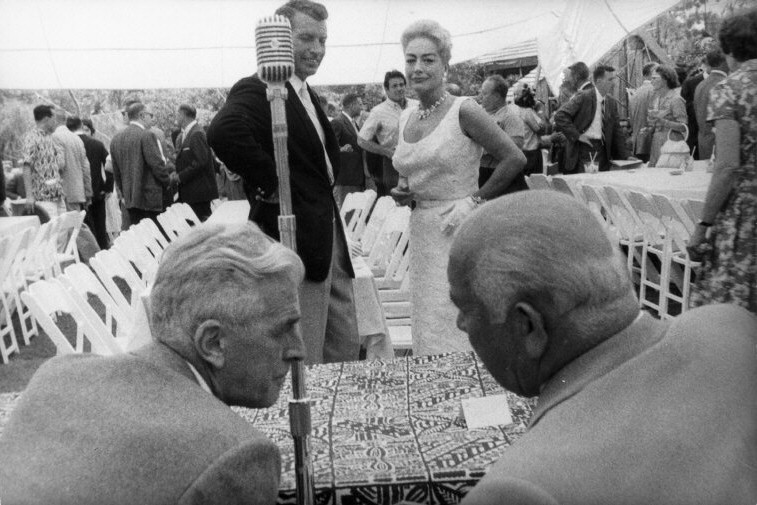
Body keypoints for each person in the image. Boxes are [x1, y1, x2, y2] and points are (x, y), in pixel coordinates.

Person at [447, 191, 757, 505]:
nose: (460, 323)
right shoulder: (732, 329)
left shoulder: (518, 490)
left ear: (527, 326)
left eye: (465, 308)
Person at [0, 221, 304, 504]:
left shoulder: (59, 374)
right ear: (212, 343)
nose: (298, 350)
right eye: (283, 329)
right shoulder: (235, 458)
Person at [208, 0, 359, 365]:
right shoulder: (260, 85)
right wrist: (273, 184)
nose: (317, 49)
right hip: (295, 240)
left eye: (323, 40)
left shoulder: (306, 92)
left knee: (344, 342)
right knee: (303, 352)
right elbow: (223, 131)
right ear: (279, 38)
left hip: (326, 233)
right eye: (306, 38)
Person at [391, 19, 525, 356]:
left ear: (445, 65)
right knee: (427, 316)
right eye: (411, 60)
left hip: (458, 227)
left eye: (428, 59)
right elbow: (411, 171)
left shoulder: (464, 110)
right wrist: (403, 191)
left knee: (454, 315)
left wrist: (474, 199)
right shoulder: (407, 115)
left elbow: (514, 158)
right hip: (422, 229)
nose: (417, 68)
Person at [688, 8, 757, 315]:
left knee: (732, 315)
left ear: (728, 48)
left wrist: (703, 224)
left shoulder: (729, 90)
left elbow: (727, 166)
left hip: (745, 215)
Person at [554, 65, 629, 172]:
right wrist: (577, 135)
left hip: (603, 151)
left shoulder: (611, 102)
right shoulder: (584, 97)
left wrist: (626, 155)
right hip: (585, 149)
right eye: (610, 80)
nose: (614, 83)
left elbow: (617, 131)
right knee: (586, 182)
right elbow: (560, 115)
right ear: (599, 81)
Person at [357, 70, 418, 196]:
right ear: (386, 89)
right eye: (394, 86)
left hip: (419, 162)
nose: (399, 88)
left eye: (402, 84)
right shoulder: (378, 112)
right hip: (393, 166)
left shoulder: (417, 105)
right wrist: (386, 152)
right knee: (397, 209)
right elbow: (362, 140)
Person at [110, 102, 171, 226]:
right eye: (150, 115)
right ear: (142, 115)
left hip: (130, 199)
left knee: (139, 238)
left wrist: (123, 193)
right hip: (149, 200)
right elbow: (157, 165)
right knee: (154, 239)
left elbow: (116, 173)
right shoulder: (147, 135)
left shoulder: (116, 139)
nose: (152, 119)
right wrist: (168, 182)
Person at [68, 117, 112, 249]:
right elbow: (110, 164)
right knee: (100, 228)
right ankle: (104, 256)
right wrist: (108, 186)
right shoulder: (97, 144)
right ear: (81, 127)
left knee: (83, 231)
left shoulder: (70, 145)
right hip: (98, 192)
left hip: (77, 194)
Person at [478, 75, 526, 193]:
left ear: (496, 96)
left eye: (484, 94)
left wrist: (483, 147)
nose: (480, 97)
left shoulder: (510, 116)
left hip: (504, 177)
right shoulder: (481, 114)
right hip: (483, 172)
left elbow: (515, 148)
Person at [174, 104, 218, 221]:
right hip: (192, 192)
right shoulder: (188, 133)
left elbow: (201, 161)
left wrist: (181, 177)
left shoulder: (196, 133)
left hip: (198, 193)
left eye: (177, 114)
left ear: (183, 115)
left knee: (202, 227)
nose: (176, 118)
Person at [21, 105, 66, 218]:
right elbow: (26, 167)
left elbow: (59, 165)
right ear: (46, 119)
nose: (56, 122)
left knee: (64, 232)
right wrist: (29, 196)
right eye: (54, 118)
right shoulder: (31, 138)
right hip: (43, 198)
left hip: (58, 195)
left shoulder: (51, 138)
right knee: (51, 233)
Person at [331, 93, 369, 208]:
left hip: (357, 178)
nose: (361, 107)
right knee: (346, 215)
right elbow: (330, 148)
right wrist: (342, 149)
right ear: (352, 105)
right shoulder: (337, 122)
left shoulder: (353, 123)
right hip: (346, 179)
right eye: (359, 104)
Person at [647, 65, 688, 167]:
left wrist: (664, 122)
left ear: (665, 79)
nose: (651, 81)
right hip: (657, 145)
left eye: (654, 78)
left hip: (671, 146)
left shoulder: (676, 99)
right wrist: (650, 128)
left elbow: (683, 126)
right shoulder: (657, 98)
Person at [52, 110, 92, 212]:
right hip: (77, 193)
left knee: (67, 226)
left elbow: (60, 164)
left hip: (64, 194)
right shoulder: (77, 139)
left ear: (53, 120)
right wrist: (88, 192)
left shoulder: (55, 137)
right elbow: (86, 168)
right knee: (76, 225)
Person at [694, 49, 729, 160]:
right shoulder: (725, 84)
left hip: (703, 140)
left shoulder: (700, 85)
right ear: (724, 62)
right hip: (720, 145)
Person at [512, 82, 546, 177]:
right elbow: (540, 129)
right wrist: (540, 110)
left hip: (522, 152)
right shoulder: (527, 112)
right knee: (534, 182)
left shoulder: (516, 110)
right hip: (531, 153)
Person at [628, 62, 658, 163]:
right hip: (651, 143)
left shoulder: (635, 93)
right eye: (657, 72)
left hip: (637, 142)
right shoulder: (655, 91)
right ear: (650, 74)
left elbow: (631, 119)